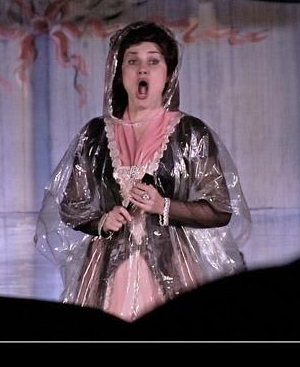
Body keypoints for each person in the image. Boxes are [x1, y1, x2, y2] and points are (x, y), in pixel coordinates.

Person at [35, 21, 251, 321]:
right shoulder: (96, 135)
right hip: (107, 267)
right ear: (119, 72)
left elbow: (220, 209)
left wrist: (163, 206)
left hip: (171, 265)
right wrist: (101, 221)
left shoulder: (189, 132)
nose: (142, 71)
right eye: (132, 61)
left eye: (153, 61)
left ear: (168, 73)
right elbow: (72, 204)